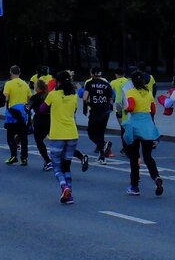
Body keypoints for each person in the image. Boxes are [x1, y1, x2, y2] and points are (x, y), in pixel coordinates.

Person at [122, 70, 163, 197]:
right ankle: (156, 178)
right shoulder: (148, 92)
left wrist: (125, 109)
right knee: (148, 156)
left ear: (132, 81)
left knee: (134, 158)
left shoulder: (130, 92)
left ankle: (134, 187)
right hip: (148, 125)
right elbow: (153, 110)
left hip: (135, 125)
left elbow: (132, 107)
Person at [45, 70, 83, 204]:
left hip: (57, 134)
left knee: (56, 165)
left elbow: (42, 109)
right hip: (72, 134)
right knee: (67, 165)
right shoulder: (73, 96)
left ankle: (64, 186)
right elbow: (74, 110)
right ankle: (69, 194)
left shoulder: (53, 95)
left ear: (58, 82)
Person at [80, 67, 114, 163]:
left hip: (95, 111)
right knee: (101, 133)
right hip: (105, 112)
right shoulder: (106, 84)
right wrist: (109, 108)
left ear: (92, 74)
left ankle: (103, 144)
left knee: (91, 133)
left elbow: (85, 98)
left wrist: (87, 107)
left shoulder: (89, 84)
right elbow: (111, 98)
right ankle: (102, 157)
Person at [2, 65, 30, 166]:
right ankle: (24, 158)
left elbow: (5, 97)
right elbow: (29, 98)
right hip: (23, 113)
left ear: (10, 72)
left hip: (12, 113)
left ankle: (13, 156)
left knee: (10, 135)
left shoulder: (8, 84)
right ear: (20, 73)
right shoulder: (25, 84)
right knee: (23, 137)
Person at [29, 79, 53, 170]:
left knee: (39, 141)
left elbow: (27, 108)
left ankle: (47, 161)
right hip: (50, 120)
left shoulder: (34, 97)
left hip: (39, 121)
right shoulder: (48, 96)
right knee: (56, 141)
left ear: (37, 88)